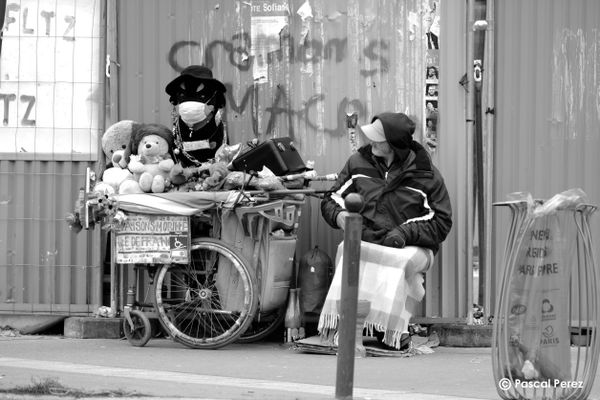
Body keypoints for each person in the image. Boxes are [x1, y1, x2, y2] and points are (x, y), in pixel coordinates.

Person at [320, 112, 452, 349]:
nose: (370, 142)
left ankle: (390, 330)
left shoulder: (426, 174)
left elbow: (441, 221)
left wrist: (404, 233)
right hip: (371, 238)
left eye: (377, 139)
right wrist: (339, 216)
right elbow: (331, 198)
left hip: (413, 245)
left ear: (394, 145)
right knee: (348, 250)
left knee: (397, 260)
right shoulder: (358, 163)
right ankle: (348, 326)